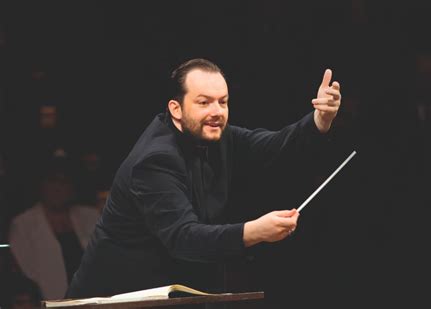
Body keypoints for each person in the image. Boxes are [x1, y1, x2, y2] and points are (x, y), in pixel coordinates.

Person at [66, 58, 341, 298]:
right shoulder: (154, 160)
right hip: (113, 298)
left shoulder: (217, 135)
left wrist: (320, 119)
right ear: (176, 108)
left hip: (169, 294)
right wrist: (255, 231)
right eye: (204, 102)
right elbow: (184, 238)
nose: (217, 112)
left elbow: (273, 146)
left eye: (223, 102)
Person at [8, 157, 100, 300]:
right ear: (41, 185)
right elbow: (27, 275)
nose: (58, 188)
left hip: (93, 300)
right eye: (52, 181)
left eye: (64, 182)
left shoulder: (90, 216)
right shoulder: (23, 224)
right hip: (48, 302)